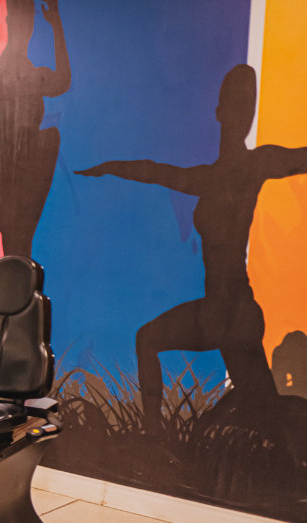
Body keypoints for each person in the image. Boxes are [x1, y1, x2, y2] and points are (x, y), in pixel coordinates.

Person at [77, 64, 307, 432]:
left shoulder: (256, 164)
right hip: (220, 311)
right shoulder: (207, 178)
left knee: (264, 414)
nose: (242, 114)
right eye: (236, 104)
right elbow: (154, 171)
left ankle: (155, 437)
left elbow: (300, 157)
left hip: (234, 311)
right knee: (260, 410)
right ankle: (154, 438)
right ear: (219, 111)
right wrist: (109, 167)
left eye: (248, 106)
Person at [0, 0, 70, 258]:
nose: (25, 30)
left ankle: (18, 279)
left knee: (19, 248)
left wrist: (56, 24)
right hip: (5, 172)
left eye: (29, 24)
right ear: (9, 23)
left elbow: (62, 82)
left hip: (28, 170)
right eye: (21, 22)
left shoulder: (34, 75)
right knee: (16, 248)